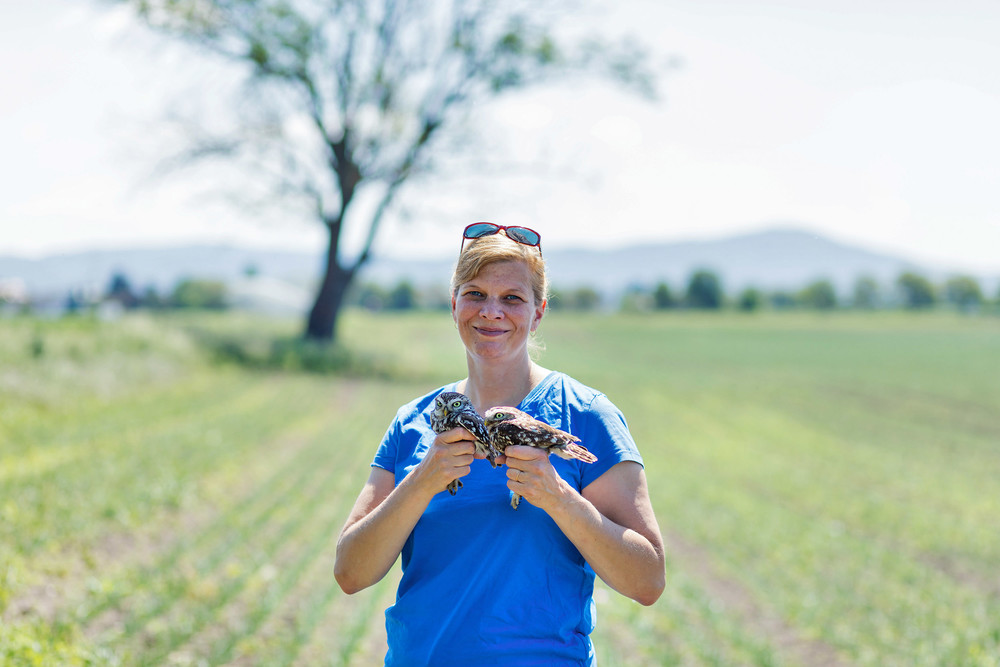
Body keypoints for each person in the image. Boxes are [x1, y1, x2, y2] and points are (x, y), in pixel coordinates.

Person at [334, 223, 665, 665]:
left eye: (512, 298)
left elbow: (647, 581)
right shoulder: (414, 422)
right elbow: (351, 573)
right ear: (454, 305)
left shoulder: (586, 415)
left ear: (539, 311)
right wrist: (423, 480)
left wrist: (558, 497)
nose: (491, 311)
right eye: (474, 294)